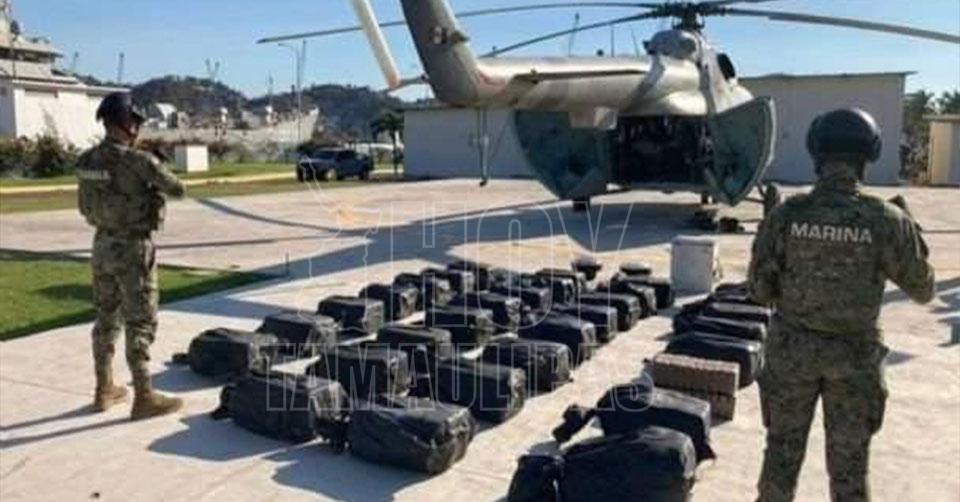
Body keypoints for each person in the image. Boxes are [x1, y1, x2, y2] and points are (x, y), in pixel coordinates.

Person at [748, 108, 935, 502]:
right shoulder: (887, 219)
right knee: (850, 469)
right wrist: (912, 231)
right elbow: (923, 290)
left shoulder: (787, 215)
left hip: (792, 355)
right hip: (854, 359)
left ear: (816, 153)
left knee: (780, 459)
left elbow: (759, 291)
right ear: (869, 155)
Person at [76, 92, 185, 420]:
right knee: (140, 321)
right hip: (133, 248)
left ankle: (104, 389)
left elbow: (84, 206)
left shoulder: (86, 161)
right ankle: (144, 396)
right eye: (134, 121)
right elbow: (178, 189)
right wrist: (156, 163)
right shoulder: (139, 161)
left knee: (106, 318)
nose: (137, 127)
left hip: (102, 245)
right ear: (126, 123)